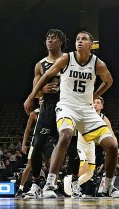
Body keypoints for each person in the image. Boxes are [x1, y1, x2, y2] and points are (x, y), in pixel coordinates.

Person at [24, 31, 119, 199]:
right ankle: (49, 184)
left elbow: (109, 81)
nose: (80, 41)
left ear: (91, 44)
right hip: (66, 107)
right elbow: (46, 76)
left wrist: (94, 96)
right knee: (64, 136)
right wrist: (31, 96)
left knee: (112, 146)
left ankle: (108, 187)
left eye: (84, 39)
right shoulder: (66, 59)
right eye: (78, 39)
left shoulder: (98, 64)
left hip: (86, 110)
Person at [21, 29, 80, 199]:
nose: (49, 40)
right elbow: (36, 92)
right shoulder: (40, 65)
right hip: (47, 109)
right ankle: (35, 185)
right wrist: (42, 90)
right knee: (37, 147)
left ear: (61, 42)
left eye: (53, 38)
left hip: (67, 107)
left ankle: (75, 184)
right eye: (47, 38)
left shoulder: (70, 60)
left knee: (72, 150)